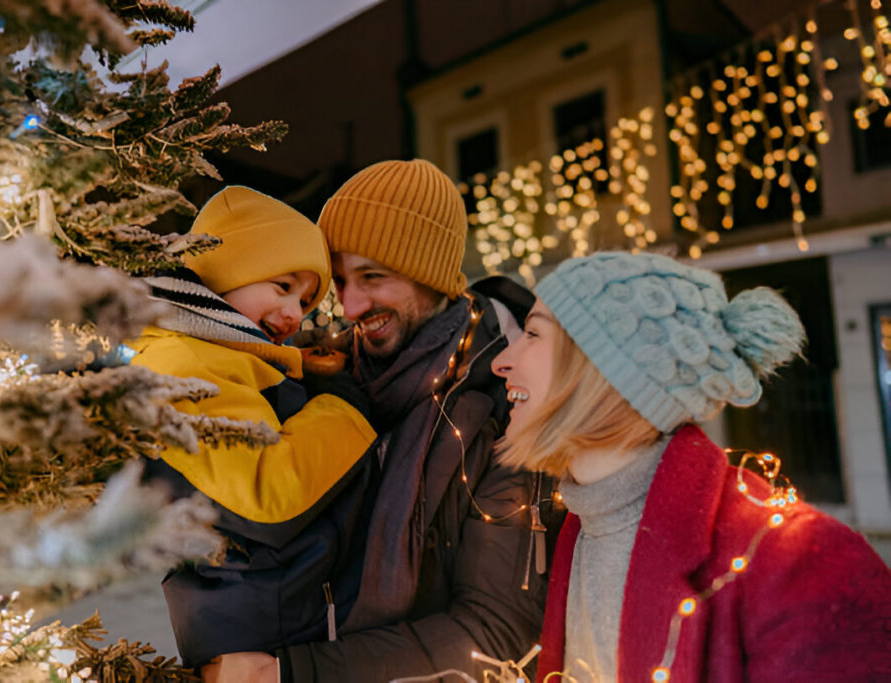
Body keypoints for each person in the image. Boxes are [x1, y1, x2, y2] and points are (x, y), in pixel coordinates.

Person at [208, 159, 564, 683]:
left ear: (431, 273)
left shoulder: (507, 409)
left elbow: (496, 633)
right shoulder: (325, 380)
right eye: (342, 280)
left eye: (373, 277)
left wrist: (290, 674)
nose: (350, 306)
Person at [491, 251, 891, 682]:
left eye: (533, 333)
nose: (501, 362)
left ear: (606, 370)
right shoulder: (580, 532)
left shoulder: (805, 565)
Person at [125, 185, 379, 670]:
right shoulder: (184, 362)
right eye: (282, 286)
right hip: (259, 633)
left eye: (306, 301)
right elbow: (266, 497)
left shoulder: (222, 357)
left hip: (269, 620)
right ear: (224, 273)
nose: (293, 314)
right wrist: (346, 405)